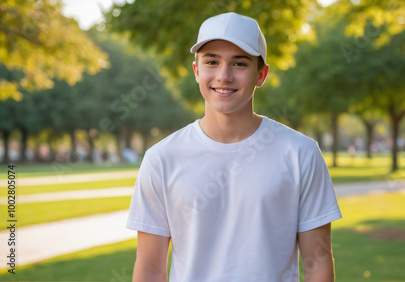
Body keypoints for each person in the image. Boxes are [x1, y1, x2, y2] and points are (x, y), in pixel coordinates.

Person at [127, 12, 342, 282]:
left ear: (261, 75)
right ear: (196, 71)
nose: (223, 75)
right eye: (212, 61)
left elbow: (317, 262)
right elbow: (150, 268)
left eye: (239, 64)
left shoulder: (301, 153)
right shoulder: (161, 159)